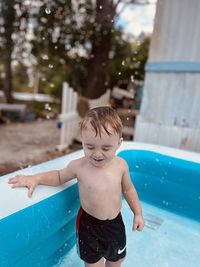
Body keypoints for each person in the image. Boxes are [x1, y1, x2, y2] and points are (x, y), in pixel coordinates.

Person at [8, 106, 144, 267]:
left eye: (106, 148)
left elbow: (128, 189)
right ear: (82, 141)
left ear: (118, 144)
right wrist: (36, 178)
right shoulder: (79, 166)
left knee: (117, 260)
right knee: (93, 264)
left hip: (115, 223)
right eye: (90, 147)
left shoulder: (121, 165)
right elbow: (59, 176)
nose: (97, 154)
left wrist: (138, 213)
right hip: (89, 225)